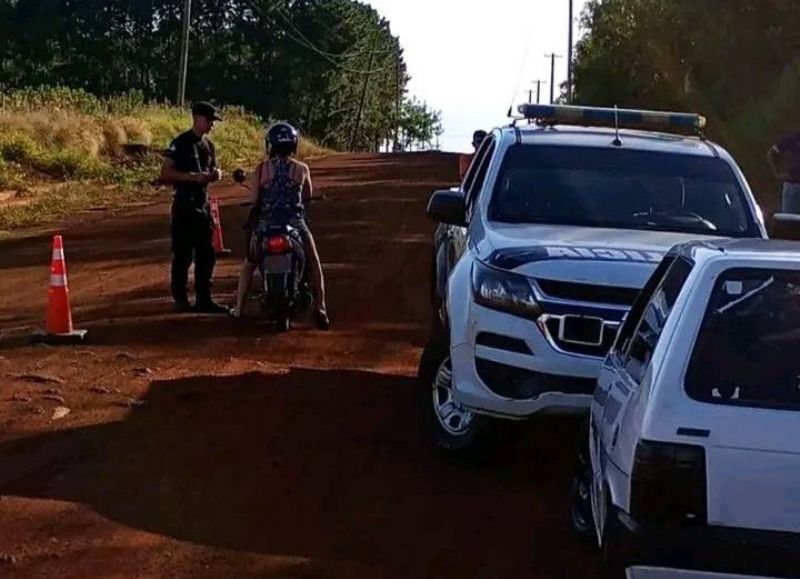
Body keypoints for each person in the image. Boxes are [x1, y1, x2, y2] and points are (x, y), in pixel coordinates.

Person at [230, 122, 330, 329]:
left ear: (271, 145)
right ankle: (321, 307)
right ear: (294, 145)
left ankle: (239, 309)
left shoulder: (261, 169)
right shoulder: (301, 169)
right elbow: (307, 195)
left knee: (249, 265)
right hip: (295, 224)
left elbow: (255, 199)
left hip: (266, 225)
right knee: (314, 263)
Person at [160, 102, 228, 314]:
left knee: (206, 254)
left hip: (203, 204)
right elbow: (165, 173)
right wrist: (191, 177)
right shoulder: (180, 143)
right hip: (184, 204)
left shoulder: (208, 146)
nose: (211, 126)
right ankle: (180, 298)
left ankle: (204, 298)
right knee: (182, 255)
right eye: (209, 121)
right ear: (197, 118)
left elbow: (212, 169)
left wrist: (216, 174)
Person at [768, 131, 800, 213]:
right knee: (789, 220)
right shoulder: (793, 138)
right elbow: (772, 152)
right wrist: (776, 173)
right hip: (793, 186)